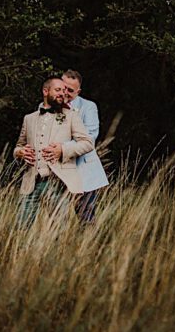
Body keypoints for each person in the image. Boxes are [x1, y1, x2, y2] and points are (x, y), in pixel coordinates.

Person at [14, 77, 93, 228]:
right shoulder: (29, 119)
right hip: (31, 181)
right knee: (22, 228)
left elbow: (88, 143)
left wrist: (63, 150)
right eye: (58, 90)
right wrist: (20, 153)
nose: (62, 94)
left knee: (59, 229)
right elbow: (19, 146)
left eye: (64, 91)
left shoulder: (71, 116)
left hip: (57, 181)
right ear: (45, 91)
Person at [62, 69, 109, 223]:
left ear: (78, 91)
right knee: (56, 219)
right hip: (57, 171)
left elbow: (89, 138)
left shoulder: (88, 107)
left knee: (86, 218)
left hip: (83, 170)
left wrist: (61, 148)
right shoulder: (47, 105)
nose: (65, 92)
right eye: (63, 87)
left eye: (70, 90)